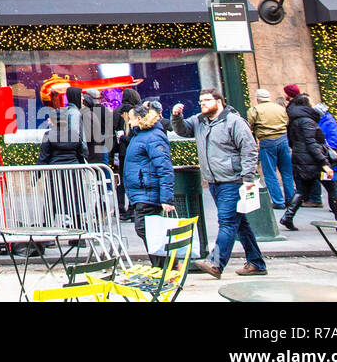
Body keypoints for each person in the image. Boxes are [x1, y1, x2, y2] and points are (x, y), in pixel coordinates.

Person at [172, 89, 266, 279]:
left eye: (206, 100)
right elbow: (183, 130)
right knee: (240, 224)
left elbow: (249, 149)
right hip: (215, 181)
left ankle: (216, 263)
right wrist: (177, 116)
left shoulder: (234, 122)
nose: (202, 104)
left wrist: (248, 177)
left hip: (233, 180)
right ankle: (256, 262)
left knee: (227, 221)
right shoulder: (200, 120)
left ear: (219, 101)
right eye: (200, 101)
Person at [121, 100, 176, 268]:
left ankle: (165, 266)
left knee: (145, 228)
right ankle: (164, 266)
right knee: (147, 229)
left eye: (131, 119)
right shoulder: (141, 135)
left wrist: (167, 198)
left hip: (148, 191)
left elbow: (164, 167)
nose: (129, 122)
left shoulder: (152, 136)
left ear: (139, 119)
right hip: (142, 191)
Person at [280, 93, 337, 229]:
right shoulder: (307, 121)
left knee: (302, 191)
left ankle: (288, 216)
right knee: (332, 189)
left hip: (301, 159)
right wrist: (324, 164)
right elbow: (312, 144)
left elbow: (292, 142)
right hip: (314, 161)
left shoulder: (294, 120)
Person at [248, 87, 295, 209]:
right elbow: (286, 121)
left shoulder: (254, 110)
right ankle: (291, 200)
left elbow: (250, 126)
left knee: (270, 173)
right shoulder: (279, 108)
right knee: (287, 172)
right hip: (283, 140)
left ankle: (278, 201)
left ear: (257, 99)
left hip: (267, 141)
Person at [112, 88, 142, 217]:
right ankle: (132, 207)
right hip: (133, 150)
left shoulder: (116, 112)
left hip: (121, 151)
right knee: (133, 179)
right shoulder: (136, 111)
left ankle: (120, 208)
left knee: (121, 180)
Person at [81, 89, 114, 166]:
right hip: (103, 140)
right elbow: (110, 125)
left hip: (94, 143)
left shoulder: (88, 112)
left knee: (101, 163)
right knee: (104, 163)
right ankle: (107, 177)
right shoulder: (104, 109)